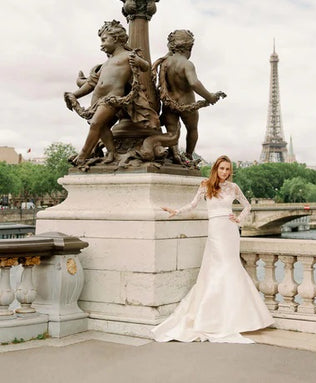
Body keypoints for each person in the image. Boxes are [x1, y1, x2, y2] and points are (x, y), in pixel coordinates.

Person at [152, 155, 274, 343]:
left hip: (230, 230)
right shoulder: (205, 185)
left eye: (228, 169)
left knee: (231, 268)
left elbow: (247, 205)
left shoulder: (234, 188)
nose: (225, 172)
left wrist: (239, 219)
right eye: (222, 168)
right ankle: (218, 317)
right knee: (218, 270)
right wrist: (176, 211)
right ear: (215, 169)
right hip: (215, 231)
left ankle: (237, 318)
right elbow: (193, 205)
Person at [64, 20, 159, 166]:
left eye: (104, 39)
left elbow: (146, 66)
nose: (101, 44)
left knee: (95, 123)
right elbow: (91, 84)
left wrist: (138, 61)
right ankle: (112, 153)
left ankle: (83, 155)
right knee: (102, 127)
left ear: (115, 38)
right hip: (97, 99)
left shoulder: (128, 56)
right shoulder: (107, 63)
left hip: (112, 99)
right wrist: (75, 95)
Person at [152, 30, 225, 162]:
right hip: (187, 104)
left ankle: (174, 154)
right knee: (192, 130)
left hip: (169, 104)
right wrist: (210, 97)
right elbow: (194, 83)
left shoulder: (165, 63)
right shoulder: (187, 64)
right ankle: (188, 155)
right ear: (189, 48)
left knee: (172, 132)